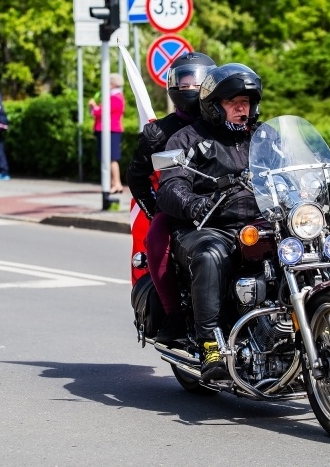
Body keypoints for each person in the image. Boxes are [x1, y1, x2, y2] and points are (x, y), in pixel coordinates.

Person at [156, 63, 263, 381]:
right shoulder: (187, 139)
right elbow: (170, 186)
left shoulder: (263, 138)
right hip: (207, 226)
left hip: (258, 225)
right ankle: (210, 344)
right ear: (215, 106)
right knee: (210, 255)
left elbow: (292, 170)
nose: (242, 108)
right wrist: (195, 204)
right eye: (234, 102)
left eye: (247, 101)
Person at [126, 52, 217, 343]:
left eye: (197, 79)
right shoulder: (158, 134)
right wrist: (156, 210)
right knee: (156, 237)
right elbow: (136, 177)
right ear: (173, 86)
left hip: (230, 203)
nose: (190, 85)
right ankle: (174, 316)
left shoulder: (225, 122)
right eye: (184, 80)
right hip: (182, 206)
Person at [89, 73, 125, 193]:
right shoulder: (113, 97)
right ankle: (113, 183)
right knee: (108, 158)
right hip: (107, 130)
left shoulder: (115, 98)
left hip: (111, 130)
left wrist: (94, 107)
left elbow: (101, 112)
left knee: (111, 158)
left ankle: (117, 183)